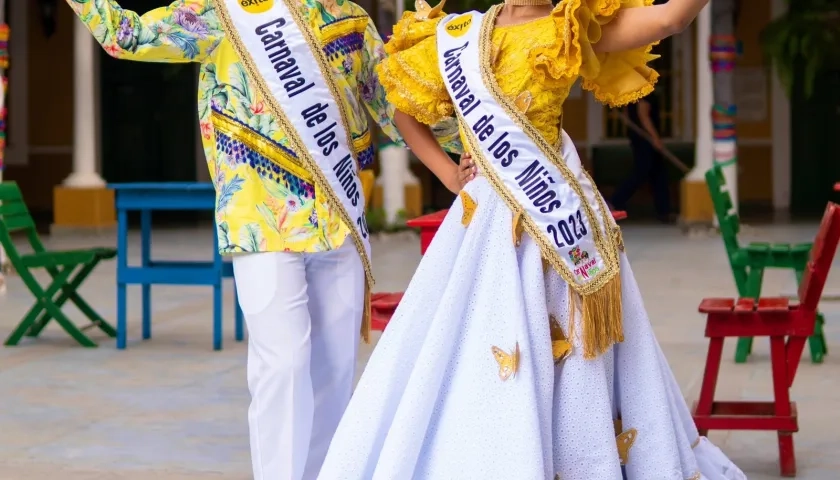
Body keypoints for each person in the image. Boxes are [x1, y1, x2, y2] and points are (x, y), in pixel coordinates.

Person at [318, 0, 747, 478]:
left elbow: (671, 18)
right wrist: (449, 175)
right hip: (484, 228)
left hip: (559, 225)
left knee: (575, 355)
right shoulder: (457, 35)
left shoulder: (570, 25)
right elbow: (403, 111)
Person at [66, 1, 469, 479]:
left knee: (334, 372)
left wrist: (467, 141)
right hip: (260, 219)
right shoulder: (222, 13)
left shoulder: (347, 17)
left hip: (337, 219)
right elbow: (125, 36)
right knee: (283, 366)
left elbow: (392, 107)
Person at [611, 91, 673, 223]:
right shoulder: (643, 92)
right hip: (645, 140)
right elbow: (643, 116)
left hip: (641, 138)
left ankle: (664, 211)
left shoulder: (633, 93)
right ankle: (614, 202)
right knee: (641, 172)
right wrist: (655, 138)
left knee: (658, 174)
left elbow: (629, 114)